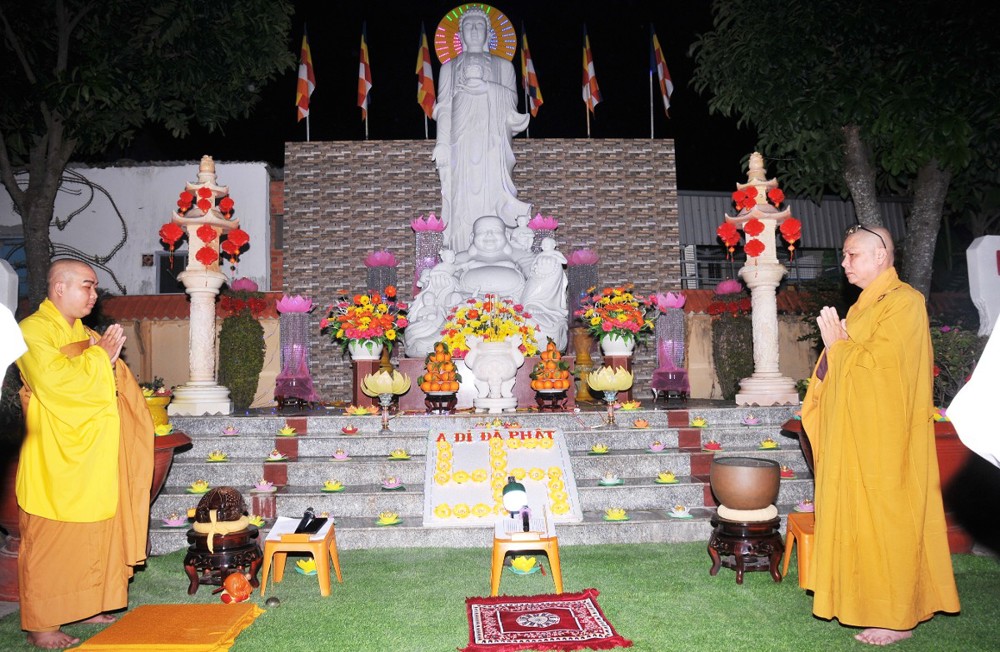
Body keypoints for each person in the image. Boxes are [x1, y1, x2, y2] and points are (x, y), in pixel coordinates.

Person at [801, 225, 960, 646]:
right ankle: (863, 599)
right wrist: (833, 353)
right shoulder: (862, 307)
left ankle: (900, 617)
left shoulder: (905, 302)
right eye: (844, 255)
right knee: (858, 519)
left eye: (852, 254)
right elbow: (840, 368)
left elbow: (885, 370)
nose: (844, 262)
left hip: (888, 439)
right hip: (856, 434)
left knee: (891, 519)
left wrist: (838, 346)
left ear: (880, 255)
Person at [15, 259, 154, 649]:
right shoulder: (32, 331)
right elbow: (54, 383)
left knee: (95, 534)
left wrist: (106, 361)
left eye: (94, 288)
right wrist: (99, 358)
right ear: (59, 288)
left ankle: (87, 604)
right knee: (51, 540)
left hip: (93, 452)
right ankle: (42, 625)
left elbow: (115, 381)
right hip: (55, 454)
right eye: (87, 286)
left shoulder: (87, 334)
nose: (94, 295)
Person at [434, 7, 531, 253]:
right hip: (461, 142)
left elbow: (511, 102)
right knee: (461, 196)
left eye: (480, 25)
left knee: (493, 191)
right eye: (469, 26)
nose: (474, 30)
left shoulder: (503, 66)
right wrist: (442, 144)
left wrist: (486, 87)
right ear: (460, 34)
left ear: (489, 32)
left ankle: (498, 247)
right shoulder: (449, 68)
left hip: (492, 141)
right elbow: (443, 108)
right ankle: (460, 249)